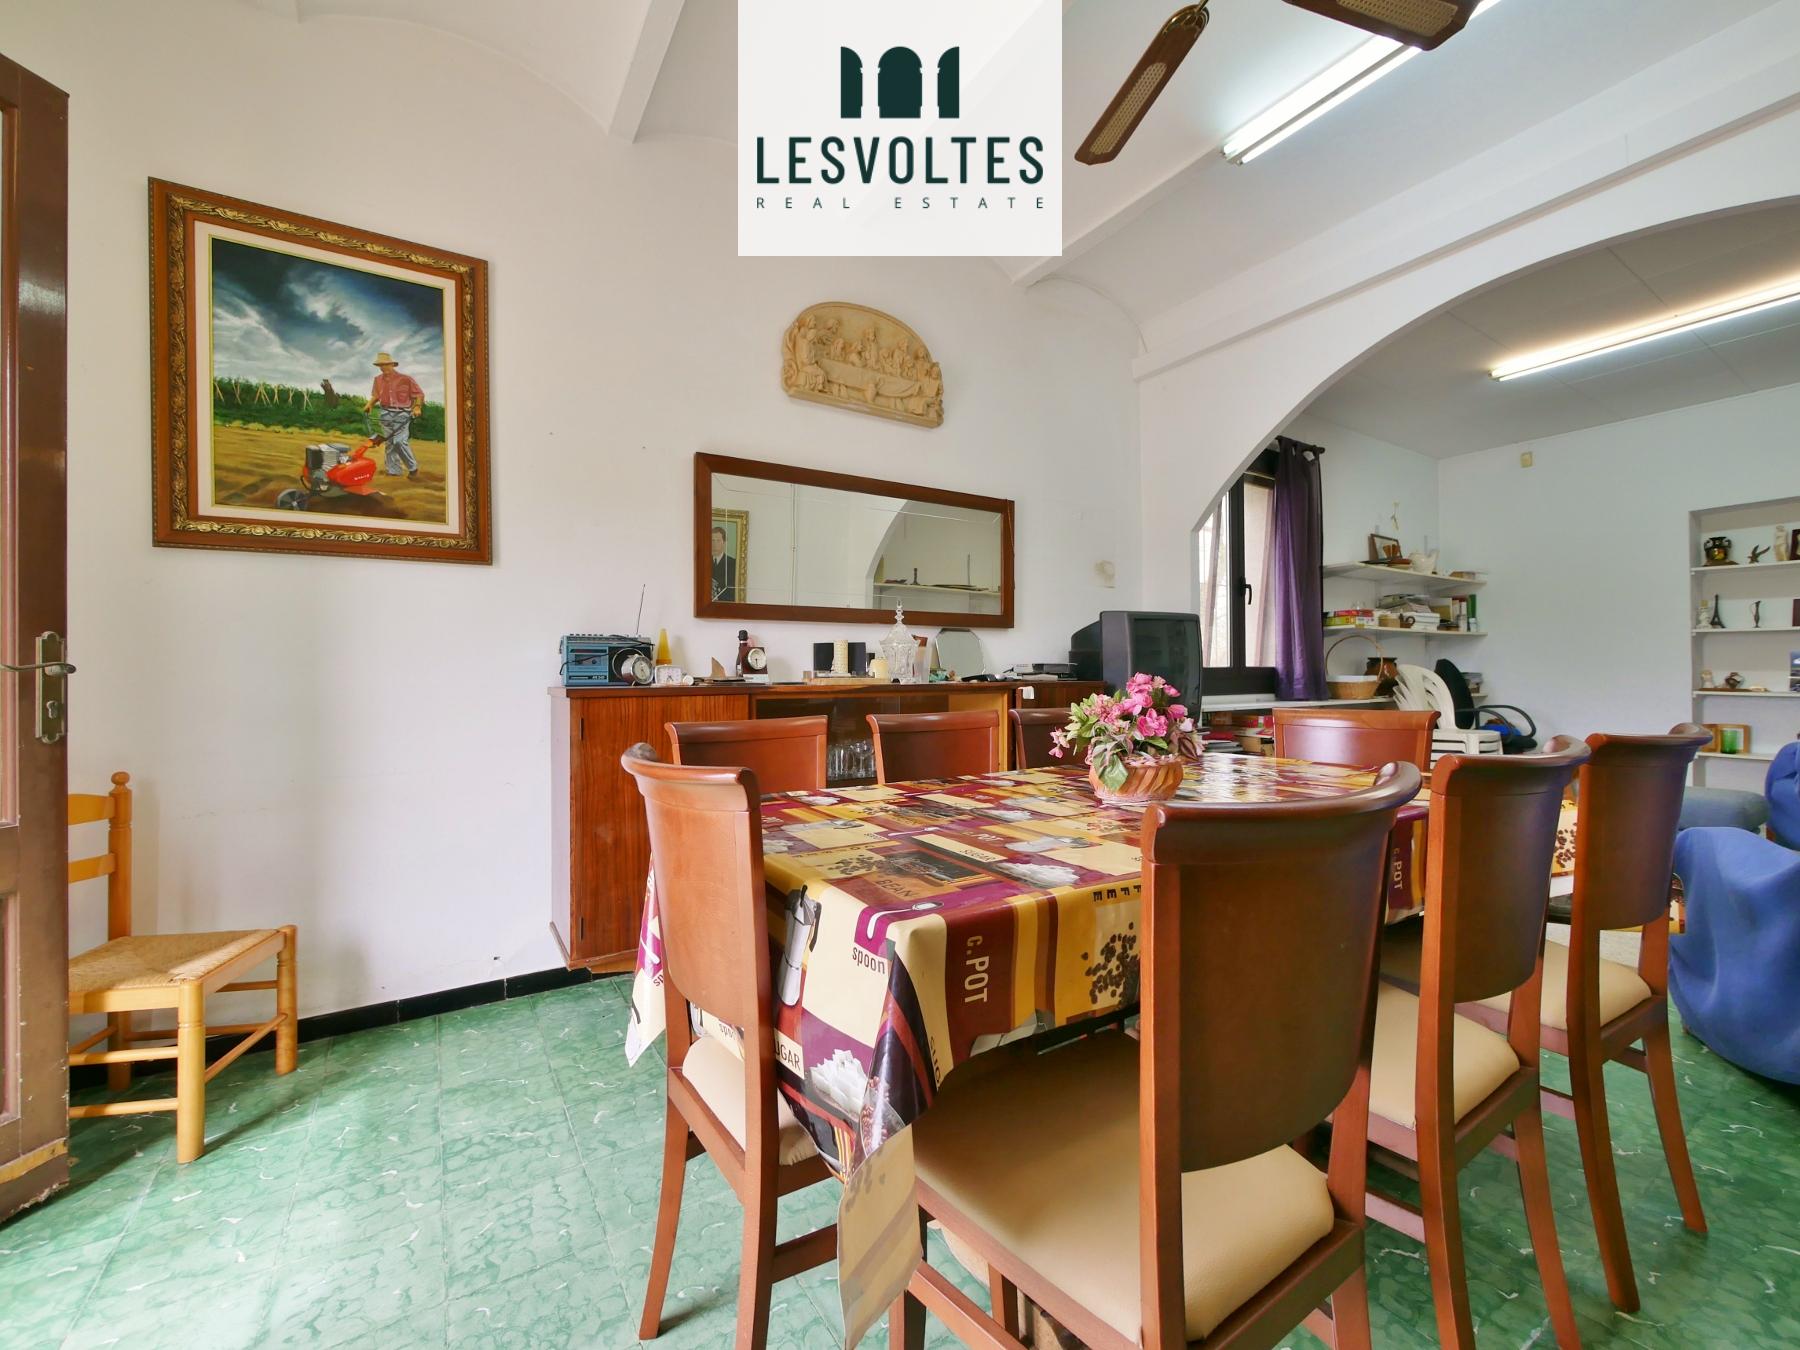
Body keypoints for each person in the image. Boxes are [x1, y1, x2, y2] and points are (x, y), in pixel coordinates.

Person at [363, 351, 425, 479]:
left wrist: (417, 407)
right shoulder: (377, 380)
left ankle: (413, 468)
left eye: (386, 364)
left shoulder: (406, 379)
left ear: (392, 364)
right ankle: (394, 471)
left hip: (402, 413)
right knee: (390, 443)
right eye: (381, 365)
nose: (383, 367)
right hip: (385, 413)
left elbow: (419, 394)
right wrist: (369, 404)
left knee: (399, 442)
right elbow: (376, 395)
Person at [710, 525, 739, 601]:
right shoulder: (703, 562)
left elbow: (733, 591)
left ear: (724, 542)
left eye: (718, 540)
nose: (714, 544)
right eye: (712, 540)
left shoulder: (733, 563)